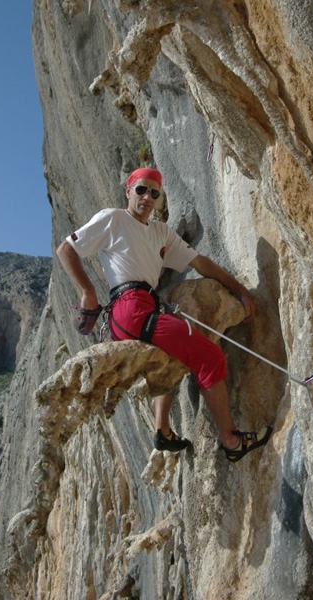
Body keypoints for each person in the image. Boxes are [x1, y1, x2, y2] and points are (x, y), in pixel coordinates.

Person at [56, 167, 272, 461]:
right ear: (128, 191)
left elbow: (200, 263)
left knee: (173, 356)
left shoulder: (159, 232)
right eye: (141, 189)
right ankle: (231, 440)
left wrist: (239, 290)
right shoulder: (114, 218)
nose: (147, 197)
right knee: (208, 357)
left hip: (143, 306)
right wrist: (88, 292)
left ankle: (162, 430)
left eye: (154, 193)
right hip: (129, 308)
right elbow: (66, 250)